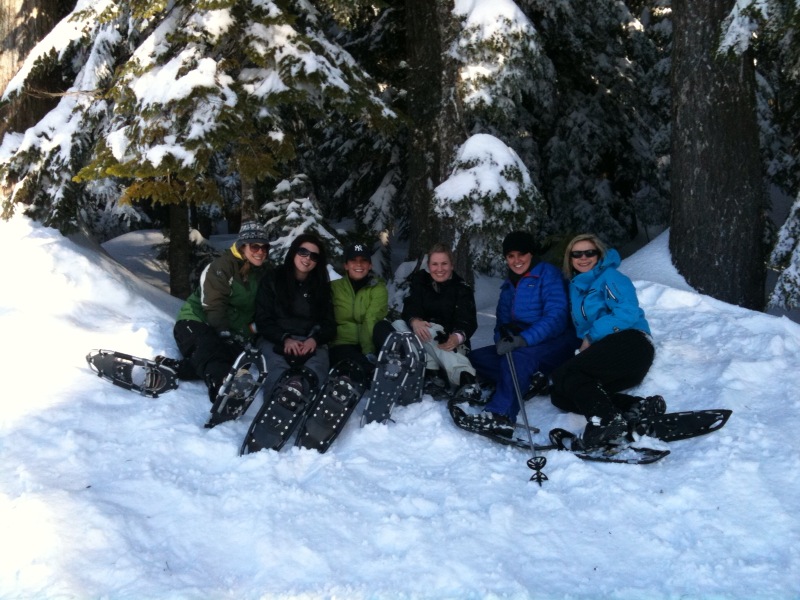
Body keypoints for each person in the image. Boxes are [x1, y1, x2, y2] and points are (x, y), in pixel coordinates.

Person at [549, 233, 666, 447]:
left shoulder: (610, 277)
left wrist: (591, 336)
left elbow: (627, 312)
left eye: (589, 253)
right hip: (608, 354)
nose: (583, 258)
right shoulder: (576, 288)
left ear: (599, 254)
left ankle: (605, 421)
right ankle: (636, 407)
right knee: (560, 394)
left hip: (631, 343)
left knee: (567, 374)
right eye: (577, 254)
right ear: (570, 258)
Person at [464, 231, 578, 436]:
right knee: (475, 358)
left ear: (531, 253)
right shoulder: (509, 284)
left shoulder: (548, 275)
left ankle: (501, 415)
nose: (516, 261)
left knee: (518, 358)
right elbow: (502, 322)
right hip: (521, 343)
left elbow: (556, 318)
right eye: (510, 256)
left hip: (556, 341)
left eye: (521, 254)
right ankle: (533, 379)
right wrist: (502, 339)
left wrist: (524, 339)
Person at [173, 221, 270, 402]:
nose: (260, 251)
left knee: (234, 360)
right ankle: (222, 386)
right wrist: (224, 333)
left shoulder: (260, 273)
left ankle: (175, 369)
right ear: (242, 246)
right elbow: (213, 303)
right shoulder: (222, 267)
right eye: (255, 246)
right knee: (211, 347)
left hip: (230, 330)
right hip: (196, 321)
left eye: (264, 247)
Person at [373, 243, 478, 396]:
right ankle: (430, 373)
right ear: (429, 265)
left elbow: (467, 320)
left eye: (444, 264)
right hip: (423, 337)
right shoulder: (421, 281)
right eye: (435, 264)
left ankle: (465, 377)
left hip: (450, 342)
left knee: (430, 332)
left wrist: (456, 336)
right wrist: (414, 321)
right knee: (398, 325)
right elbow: (411, 305)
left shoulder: (461, 288)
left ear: (451, 265)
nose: (439, 269)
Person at [255, 233, 337, 399]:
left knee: (316, 368)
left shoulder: (321, 286)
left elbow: (329, 324)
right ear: (293, 252)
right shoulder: (272, 279)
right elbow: (263, 319)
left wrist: (315, 339)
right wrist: (285, 338)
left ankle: (310, 405)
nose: (307, 259)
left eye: (313, 256)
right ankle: (278, 403)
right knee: (276, 367)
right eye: (303, 252)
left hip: (309, 340)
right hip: (276, 339)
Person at [329, 242, 389, 375]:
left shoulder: (378, 288)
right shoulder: (334, 288)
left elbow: (371, 319)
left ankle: (396, 366)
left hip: (371, 344)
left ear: (370, 265)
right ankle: (374, 374)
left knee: (384, 326)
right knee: (358, 366)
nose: (359, 265)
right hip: (343, 344)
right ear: (346, 265)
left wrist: (368, 351)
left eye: (364, 260)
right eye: (353, 260)